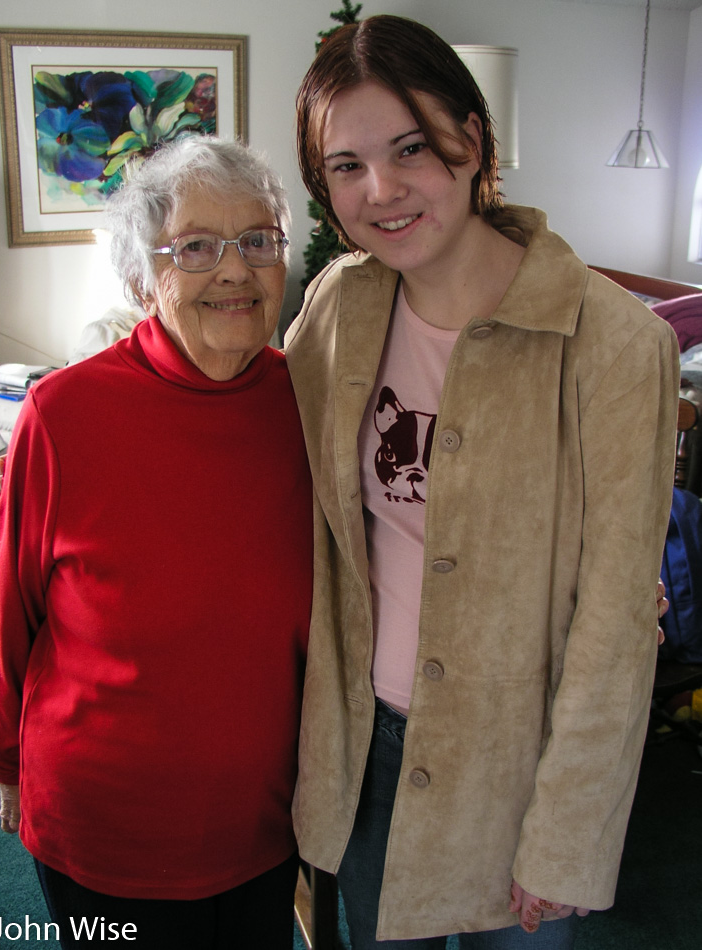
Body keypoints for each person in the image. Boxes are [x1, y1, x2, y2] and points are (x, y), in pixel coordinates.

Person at [283, 14, 680, 949]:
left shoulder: (617, 345)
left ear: (470, 141)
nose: (380, 190)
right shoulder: (341, 302)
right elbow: (248, 439)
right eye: (346, 165)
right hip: (366, 747)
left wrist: (567, 837)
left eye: (409, 147)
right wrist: (64, 452)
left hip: (517, 766)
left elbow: (617, 619)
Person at [0, 135, 313, 950]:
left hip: (263, 817)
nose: (233, 270)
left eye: (258, 240)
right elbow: (3, 614)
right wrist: (4, 757)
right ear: (139, 277)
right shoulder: (64, 415)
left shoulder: (311, 406)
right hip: (105, 826)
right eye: (195, 246)